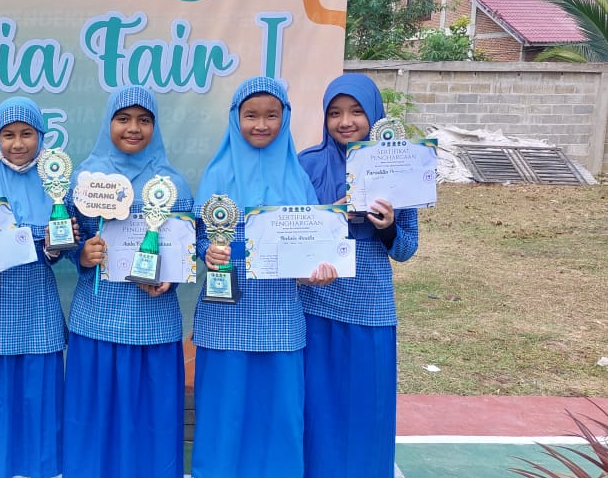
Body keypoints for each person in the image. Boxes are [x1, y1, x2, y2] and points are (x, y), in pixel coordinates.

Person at [190, 76, 335, 478]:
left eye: (272, 115)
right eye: (251, 115)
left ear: (285, 118)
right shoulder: (216, 174)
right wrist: (208, 252)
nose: (261, 124)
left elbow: (311, 246)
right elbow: (198, 237)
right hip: (225, 315)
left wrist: (315, 273)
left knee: (279, 415)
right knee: (223, 412)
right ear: (235, 118)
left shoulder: (298, 178)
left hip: (280, 317)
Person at [62, 85, 192, 478]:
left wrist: (169, 278)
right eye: (123, 119)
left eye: (144, 120)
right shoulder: (85, 179)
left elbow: (183, 247)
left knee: (152, 425)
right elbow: (67, 238)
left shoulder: (173, 184)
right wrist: (81, 254)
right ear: (108, 123)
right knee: (93, 425)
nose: (133, 128)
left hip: (153, 324)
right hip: (97, 322)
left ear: (155, 126)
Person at [297, 73, 420, 478]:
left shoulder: (398, 166)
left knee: (368, 409)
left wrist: (386, 227)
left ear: (374, 115)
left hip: (370, 308)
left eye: (356, 112)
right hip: (314, 305)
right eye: (334, 113)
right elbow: (291, 239)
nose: (345, 121)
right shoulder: (305, 165)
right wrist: (335, 214)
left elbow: (406, 249)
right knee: (317, 410)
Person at [0, 97, 68, 478]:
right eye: (8, 135)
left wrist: (56, 249)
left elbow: (68, 250)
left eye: (27, 134)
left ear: (41, 136)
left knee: (38, 396)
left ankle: (40, 470)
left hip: (38, 302)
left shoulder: (58, 188)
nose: (18, 143)